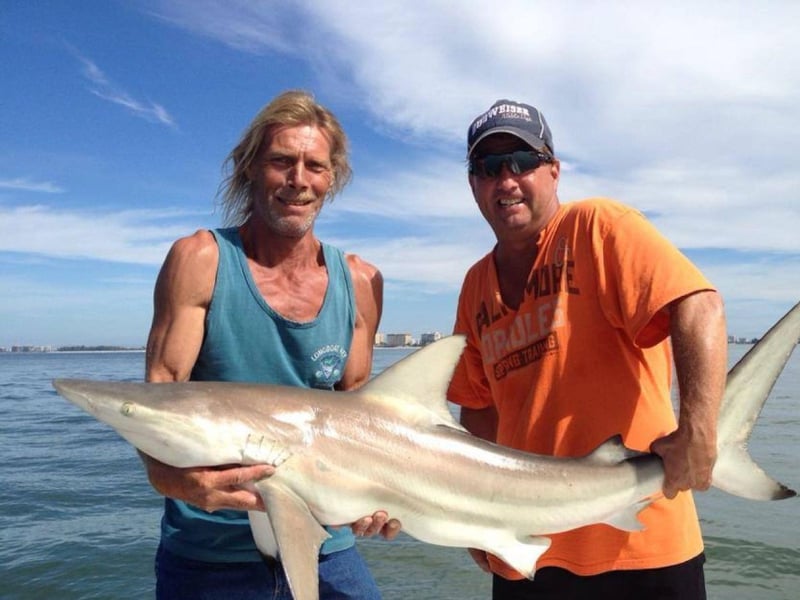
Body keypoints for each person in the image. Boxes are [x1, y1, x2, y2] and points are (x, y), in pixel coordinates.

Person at [447, 99, 727, 599]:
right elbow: (479, 409)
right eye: (488, 168)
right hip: (526, 552)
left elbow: (698, 306)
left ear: (553, 171)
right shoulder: (474, 287)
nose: (506, 180)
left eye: (522, 162)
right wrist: (478, 519)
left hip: (642, 541)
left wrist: (699, 429)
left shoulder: (599, 227)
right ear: (473, 185)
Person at [142, 90, 399, 599]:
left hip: (327, 540)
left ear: (332, 178)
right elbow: (157, 404)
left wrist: (380, 500)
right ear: (250, 168)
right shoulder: (200, 261)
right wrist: (182, 484)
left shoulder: (362, 282)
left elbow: (359, 417)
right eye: (282, 161)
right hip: (211, 549)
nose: (299, 179)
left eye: (315, 166)